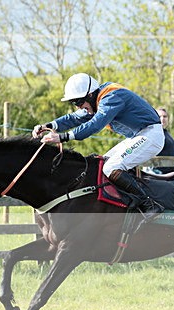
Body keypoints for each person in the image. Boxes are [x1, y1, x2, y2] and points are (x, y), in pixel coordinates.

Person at [33, 73, 164, 219]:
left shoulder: (111, 97)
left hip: (151, 135)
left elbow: (95, 124)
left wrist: (63, 137)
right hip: (138, 135)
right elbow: (74, 118)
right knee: (103, 164)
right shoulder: (97, 101)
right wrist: (48, 125)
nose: (78, 106)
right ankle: (126, 204)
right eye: (74, 103)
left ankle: (149, 205)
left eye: (78, 102)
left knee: (111, 167)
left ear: (90, 95)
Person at [153, 107, 174, 175]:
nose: (162, 119)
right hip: (157, 175)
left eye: (165, 116)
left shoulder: (166, 134)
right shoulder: (153, 133)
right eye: (159, 116)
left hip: (171, 175)